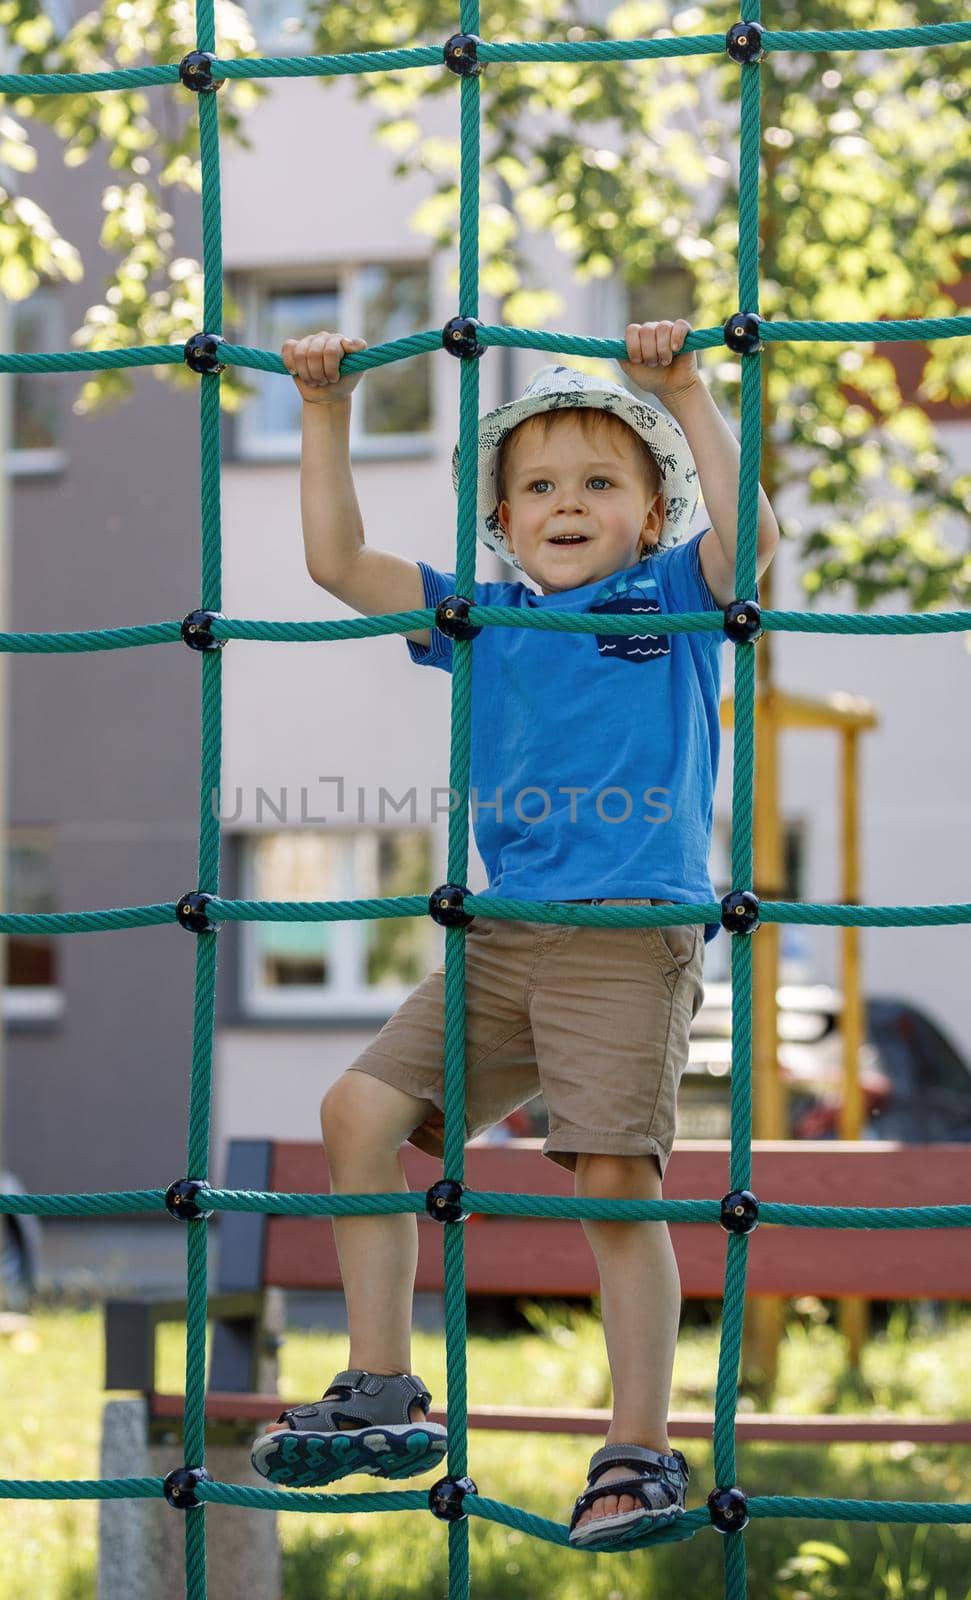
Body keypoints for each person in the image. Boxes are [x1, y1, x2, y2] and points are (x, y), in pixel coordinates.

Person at [250, 319, 781, 1550]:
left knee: (611, 1182)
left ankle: (636, 1450)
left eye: (600, 482)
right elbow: (338, 563)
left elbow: (749, 543)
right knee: (355, 1114)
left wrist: (686, 392)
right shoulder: (480, 617)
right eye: (537, 485)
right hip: (498, 937)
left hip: (623, 935)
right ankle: (383, 1381)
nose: (566, 503)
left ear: (651, 514)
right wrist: (324, 412)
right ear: (500, 519)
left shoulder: (671, 597)